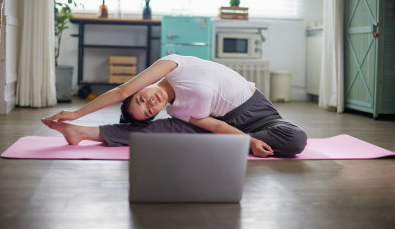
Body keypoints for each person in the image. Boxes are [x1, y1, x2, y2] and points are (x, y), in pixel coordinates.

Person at [42, 55, 307, 158]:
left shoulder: (172, 64)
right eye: (148, 111)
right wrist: (248, 142)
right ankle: (83, 133)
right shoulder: (176, 111)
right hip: (225, 127)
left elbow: (122, 90)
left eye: (141, 98)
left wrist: (76, 111)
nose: (151, 103)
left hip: (258, 113)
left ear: (140, 90)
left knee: (296, 138)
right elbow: (214, 124)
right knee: (166, 129)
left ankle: (219, 143)